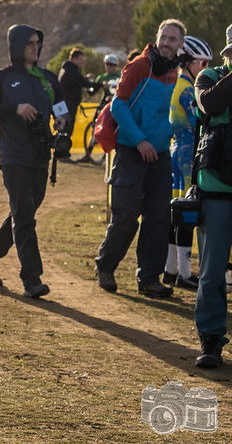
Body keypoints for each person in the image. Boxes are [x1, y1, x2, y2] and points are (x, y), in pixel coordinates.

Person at [0, 25, 69, 298]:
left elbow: (62, 108)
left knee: (22, 214)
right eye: (29, 43)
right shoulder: (2, 78)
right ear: (16, 45)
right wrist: (14, 109)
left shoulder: (48, 79)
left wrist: (63, 121)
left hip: (41, 158)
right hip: (13, 157)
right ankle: (32, 279)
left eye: (38, 42)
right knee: (25, 217)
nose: (35, 47)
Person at [94, 19, 182, 298]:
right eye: (163, 37)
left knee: (158, 218)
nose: (166, 42)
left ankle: (149, 279)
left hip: (160, 154)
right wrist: (140, 140)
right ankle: (106, 266)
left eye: (172, 39)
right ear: (157, 38)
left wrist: (166, 135)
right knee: (126, 216)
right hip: (131, 151)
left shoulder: (174, 71)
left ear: (180, 43)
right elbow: (119, 105)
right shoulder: (140, 65)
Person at [192, 25, 232, 368]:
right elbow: (211, 104)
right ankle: (210, 338)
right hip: (216, 188)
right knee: (212, 271)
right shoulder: (208, 77)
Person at [163, 36, 212, 290]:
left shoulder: (179, 84)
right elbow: (200, 121)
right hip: (186, 155)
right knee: (186, 214)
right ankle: (183, 273)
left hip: (176, 152)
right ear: (190, 62)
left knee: (176, 213)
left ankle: (170, 270)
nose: (204, 67)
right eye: (202, 62)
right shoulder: (186, 89)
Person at [58, 48, 98, 147]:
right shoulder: (71, 70)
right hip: (68, 104)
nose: (82, 61)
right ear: (74, 59)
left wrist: (86, 79)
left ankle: (63, 151)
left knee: (66, 128)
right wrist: (100, 85)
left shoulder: (69, 69)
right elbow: (83, 83)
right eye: (81, 59)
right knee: (67, 128)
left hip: (68, 104)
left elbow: (79, 81)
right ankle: (62, 151)